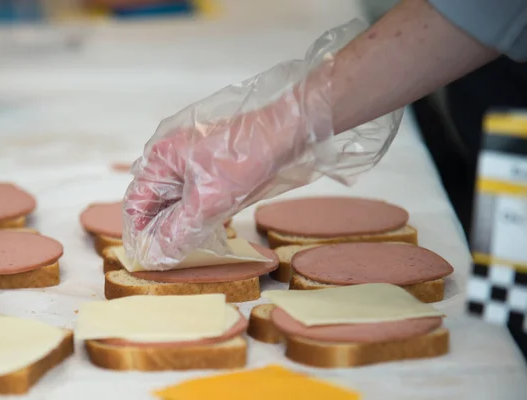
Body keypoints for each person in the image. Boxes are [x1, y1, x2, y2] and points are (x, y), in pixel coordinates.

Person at [123, 0, 527, 269]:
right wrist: (272, 130)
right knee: (508, 315)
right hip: (497, 97)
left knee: (514, 334)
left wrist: (276, 128)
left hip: (514, 103)